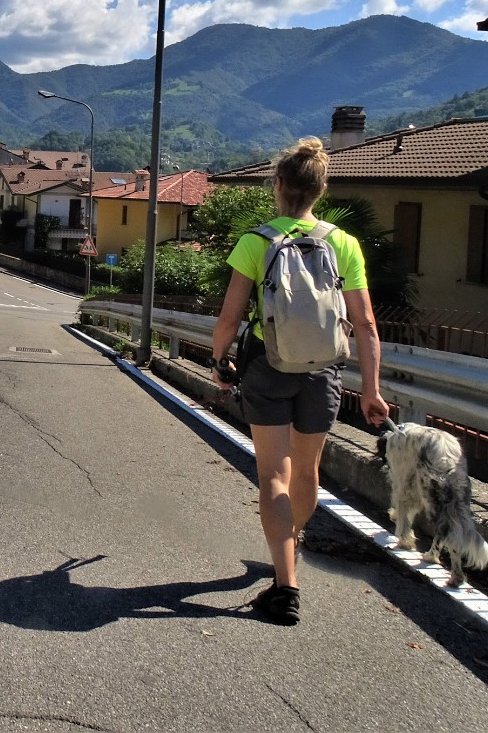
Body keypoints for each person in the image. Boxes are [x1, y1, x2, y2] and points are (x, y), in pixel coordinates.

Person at [210, 137, 389, 625]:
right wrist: (371, 390)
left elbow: (229, 318)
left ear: (279, 185)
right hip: (323, 372)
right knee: (308, 473)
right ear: (320, 190)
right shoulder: (343, 244)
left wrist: (219, 358)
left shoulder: (256, 241)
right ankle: (288, 544)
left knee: (273, 475)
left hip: (269, 368)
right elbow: (367, 324)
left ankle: (286, 586)